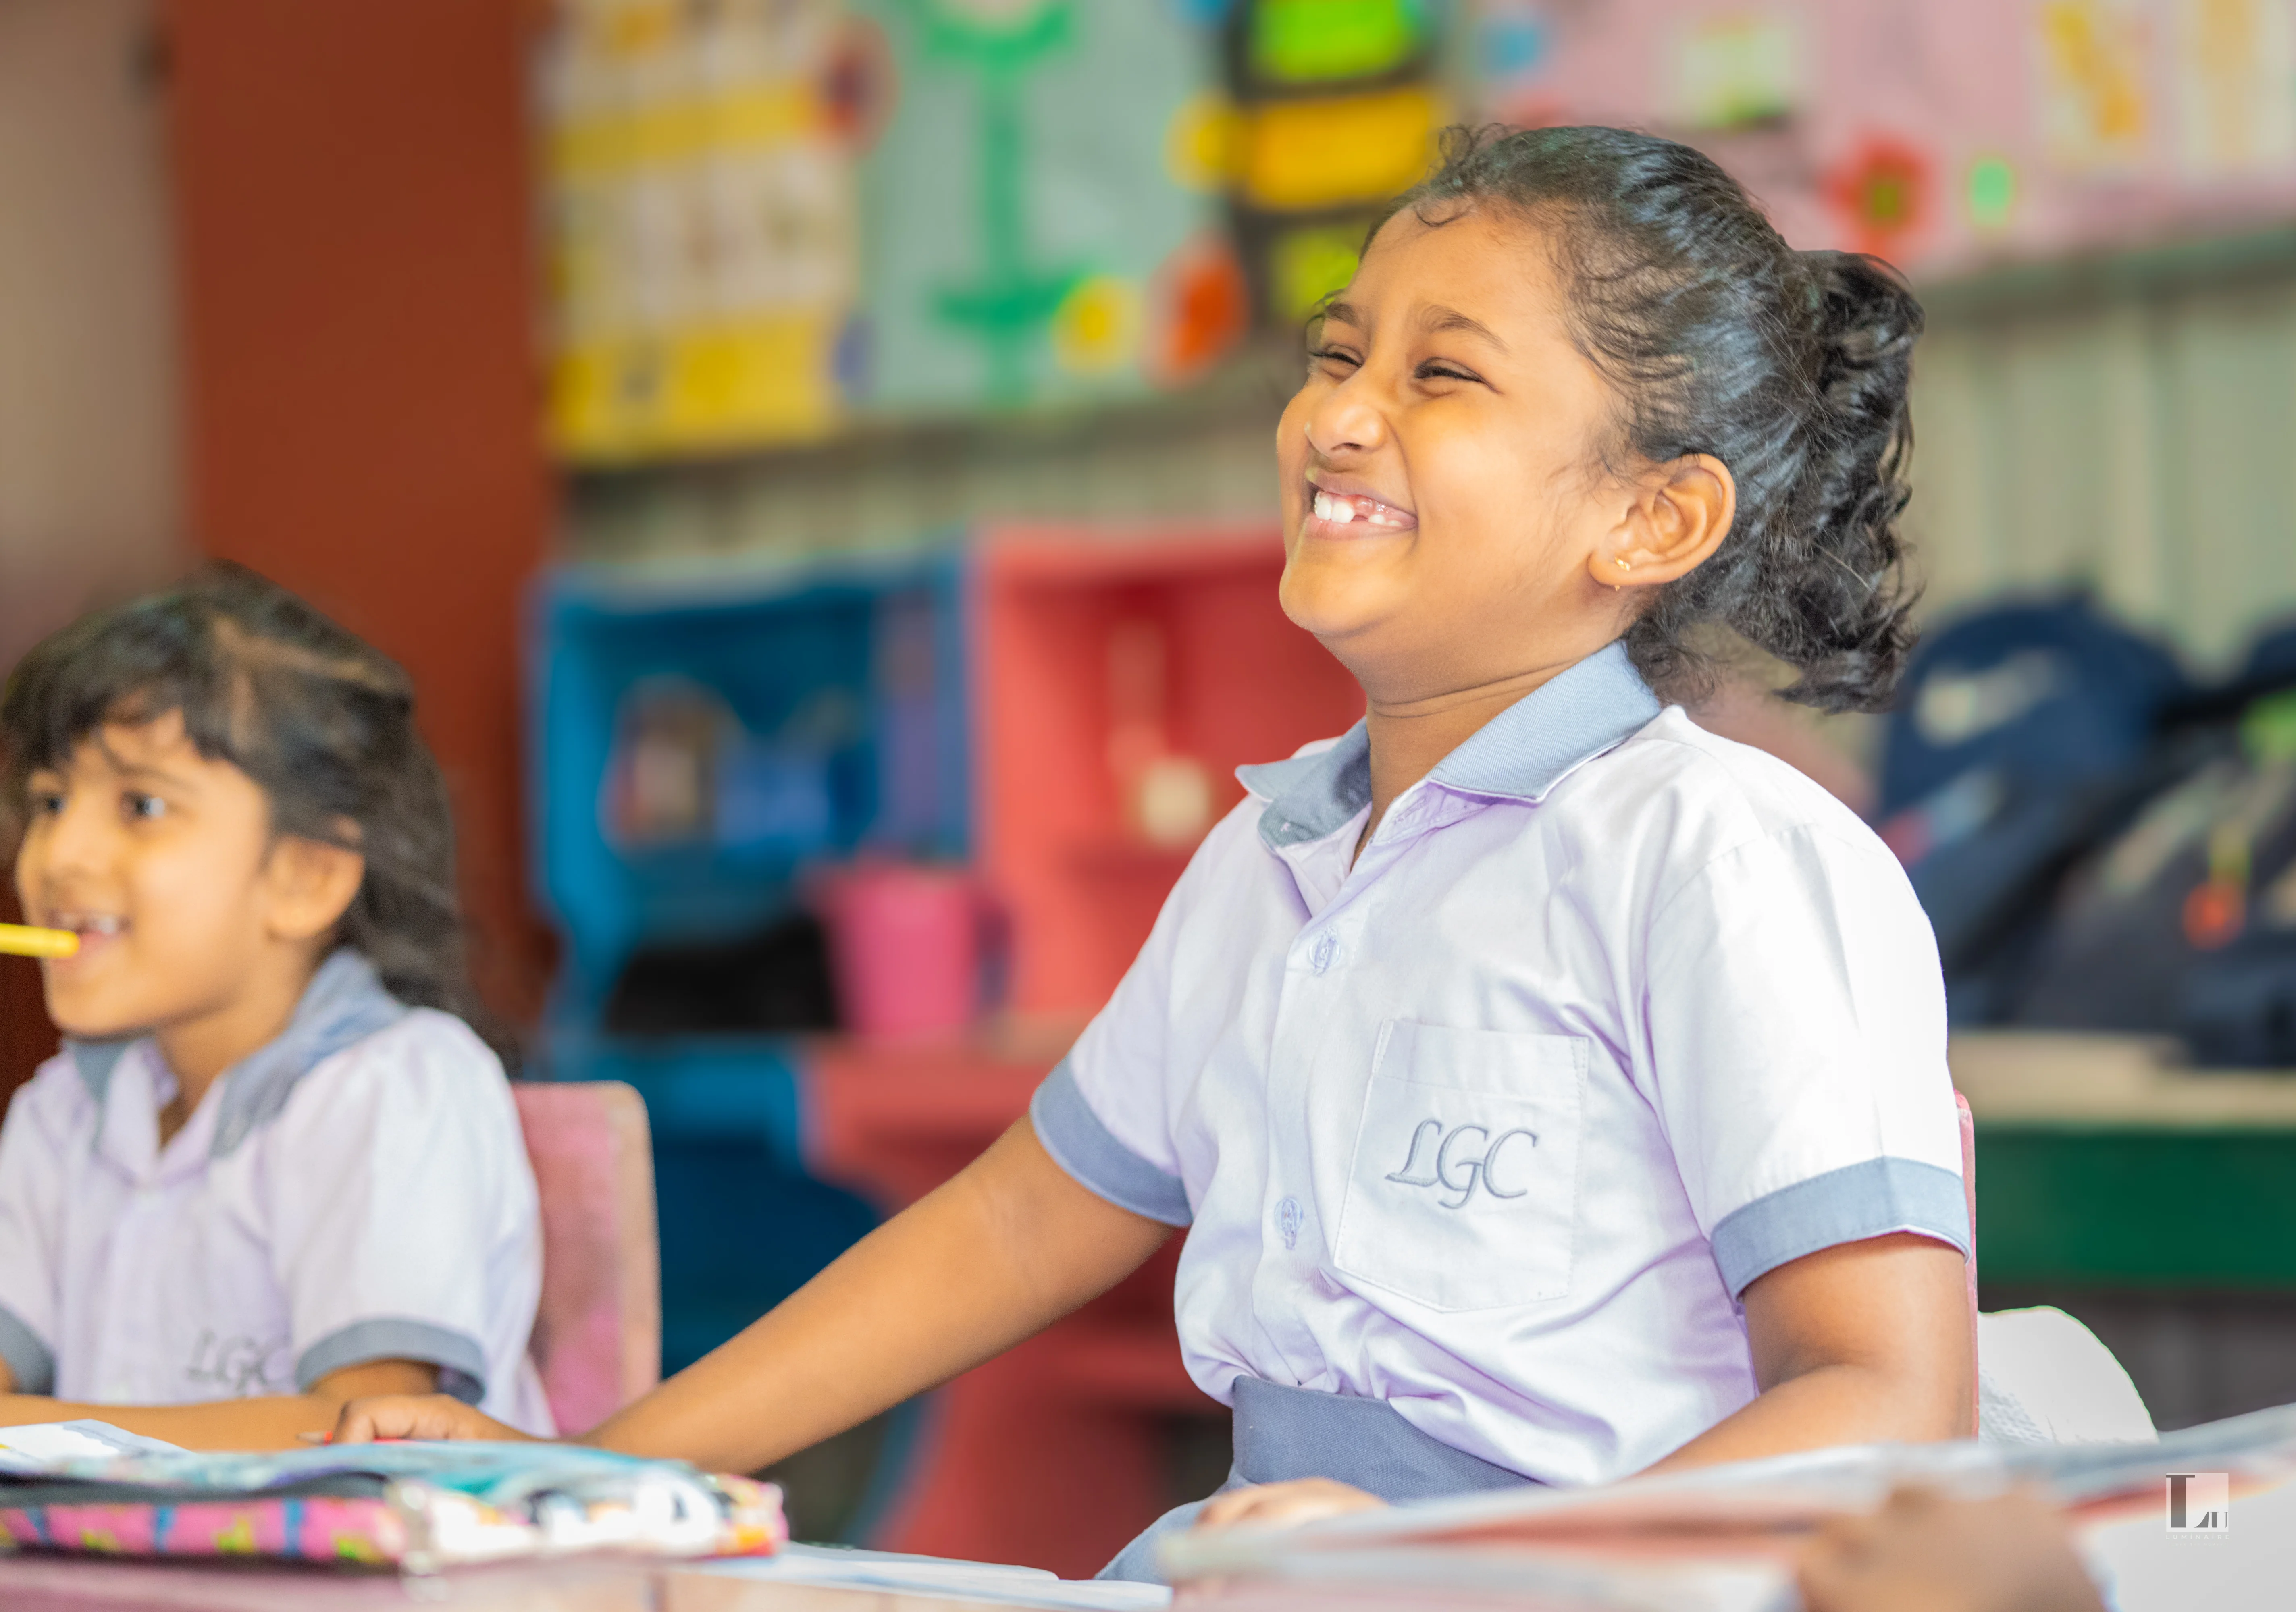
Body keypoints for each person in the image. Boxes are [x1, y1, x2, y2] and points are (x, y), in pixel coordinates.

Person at [336, 124, 1971, 1581]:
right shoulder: (1270, 863)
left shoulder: (1719, 856)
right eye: (1336, 354)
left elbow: (1884, 1392)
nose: (1337, 414)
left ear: (1650, 521)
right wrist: (598, 1465)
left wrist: (1466, 1562)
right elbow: (1015, 1226)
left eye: (1438, 375)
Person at [0, 565, 551, 1447]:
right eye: (49, 801)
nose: (56, 854)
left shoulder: (394, 1089)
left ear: (307, 876)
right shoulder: (59, 1115)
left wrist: (30, 1426)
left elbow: (361, 1428)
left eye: (140, 804)